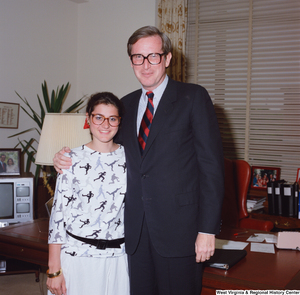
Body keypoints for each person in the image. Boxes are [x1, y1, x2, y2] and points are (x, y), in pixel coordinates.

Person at [54, 26, 224, 295]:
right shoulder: (126, 104)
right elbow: (104, 142)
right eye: (138, 57)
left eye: (153, 56)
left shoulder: (193, 97)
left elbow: (212, 167)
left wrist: (207, 230)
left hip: (181, 232)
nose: (146, 65)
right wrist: (65, 157)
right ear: (131, 60)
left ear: (167, 58)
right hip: (133, 235)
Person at [47, 92, 129, 295]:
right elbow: (58, 216)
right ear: (88, 119)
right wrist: (53, 269)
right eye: (98, 117)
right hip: (77, 257)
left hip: (118, 258)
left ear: (119, 122)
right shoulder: (70, 159)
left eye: (112, 118)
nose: (105, 125)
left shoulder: (131, 158)